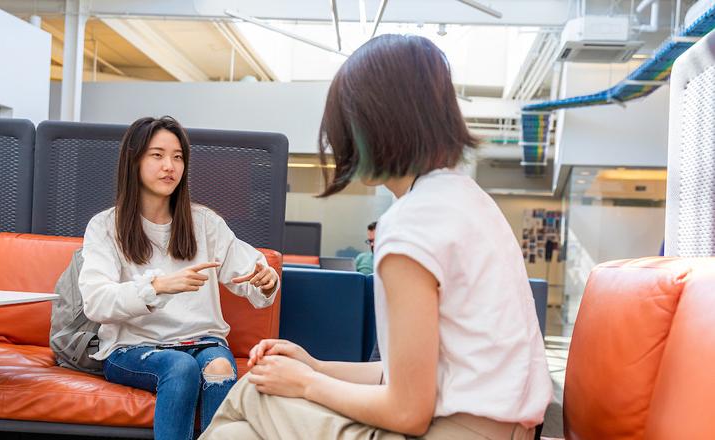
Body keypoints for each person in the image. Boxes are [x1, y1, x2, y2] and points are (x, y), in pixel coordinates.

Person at [201, 34, 552, 440]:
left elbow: (407, 411)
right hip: (499, 429)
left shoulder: (411, 223)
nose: (338, 145)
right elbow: (418, 376)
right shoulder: (467, 201)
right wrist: (314, 366)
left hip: (452, 431)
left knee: (251, 394)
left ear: (374, 124)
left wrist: (305, 384)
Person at [78, 116, 279, 440]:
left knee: (219, 368)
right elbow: (96, 302)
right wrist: (156, 287)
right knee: (180, 367)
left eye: (177, 157)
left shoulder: (204, 223)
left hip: (203, 342)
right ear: (134, 160)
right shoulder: (105, 226)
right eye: (157, 155)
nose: (169, 165)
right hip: (132, 347)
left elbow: (250, 271)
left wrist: (265, 279)